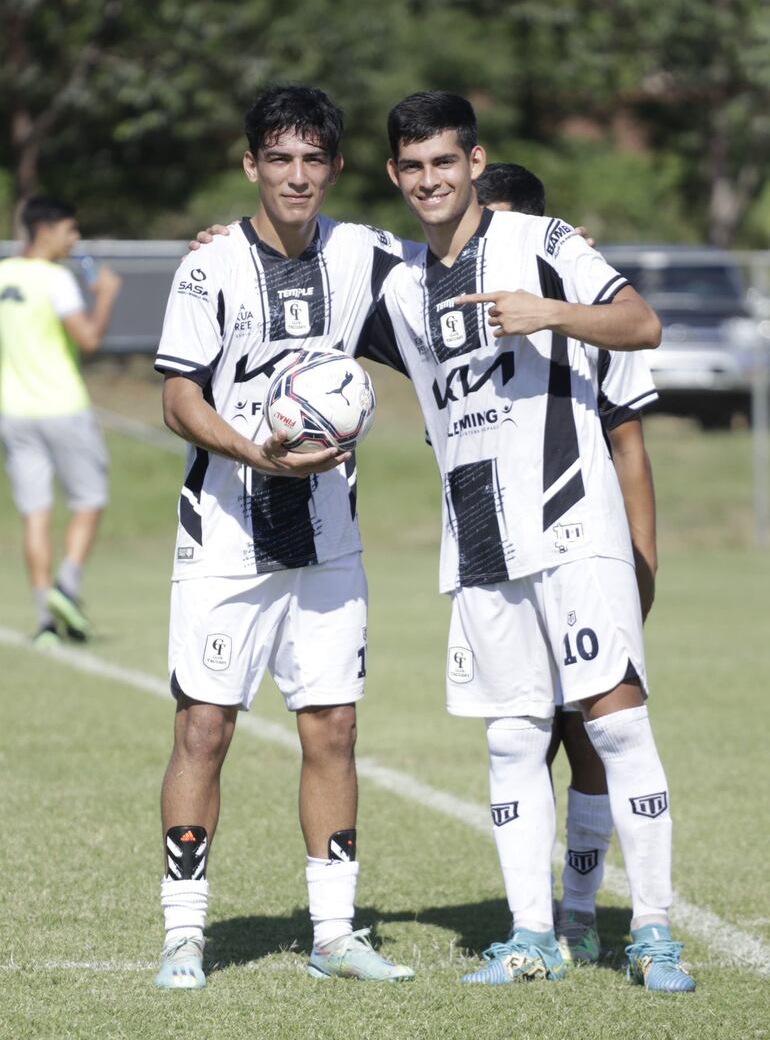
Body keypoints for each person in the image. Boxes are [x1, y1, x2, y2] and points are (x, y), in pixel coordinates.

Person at [357, 91, 693, 992]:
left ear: (474, 163)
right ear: (397, 176)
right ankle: (534, 934)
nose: (431, 180)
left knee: (616, 727)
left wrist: (550, 313)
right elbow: (307, 273)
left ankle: (653, 931)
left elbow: (643, 324)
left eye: (446, 163)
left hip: (573, 520)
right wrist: (220, 243)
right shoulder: (392, 289)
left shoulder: (542, 244)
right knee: (511, 742)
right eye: (413, 167)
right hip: (478, 542)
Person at [152, 83, 417, 989]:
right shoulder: (209, 268)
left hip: (329, 533)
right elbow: (177, 398)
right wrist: (255, 454)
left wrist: (545, 235)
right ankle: (184, 933)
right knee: (204, 729)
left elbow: (456, 263)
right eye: (280, 158)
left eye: (313, 160)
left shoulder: (365, 254)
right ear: (252, 165)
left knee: (333, 729)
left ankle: (335, 935)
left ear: (335, 169)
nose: (296, 176)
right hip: (225, 531)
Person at [473, 162, 658, 967]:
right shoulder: (461, 302)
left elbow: (630, 447)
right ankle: (536, 925)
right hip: (500, 555)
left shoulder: (586, 316)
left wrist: (642, 563)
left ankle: (580, 911)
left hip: (580, 547)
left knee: (594, 736)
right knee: (521, 740)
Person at [0, 196, 121, 645]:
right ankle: (66, 587)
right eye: (70, 230)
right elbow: (88, 338)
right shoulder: (56, 280)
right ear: (45, 229)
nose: (74, 240)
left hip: (13, 413)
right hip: (64, 408)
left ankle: (45, 623)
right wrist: (106, 296)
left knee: (35, 515)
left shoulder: (4, 274)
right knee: (89, 500)